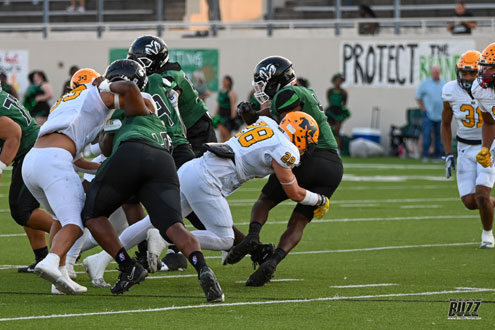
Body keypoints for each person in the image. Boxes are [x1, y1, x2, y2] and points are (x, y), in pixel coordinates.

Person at [81, 59, 224, 302]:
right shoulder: (153, 104)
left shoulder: (127, 98)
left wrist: (102, 89)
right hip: (163, 159)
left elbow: (107, 148)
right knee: (173, 226)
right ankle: (203, 269)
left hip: (134, 151)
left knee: (92, 215)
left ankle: (128, 266)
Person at [225, 56, 343, 287]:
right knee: (298, 221)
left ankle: (252, 237)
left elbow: (291, 124)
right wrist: (254, 117)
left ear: (276, 80)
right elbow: (273, 119)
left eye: (263, 82)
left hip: (308, 156)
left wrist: (254, 117)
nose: (260, 89)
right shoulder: (302, 93)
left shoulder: (286, 94)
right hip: (332, 166)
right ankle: (273, 261)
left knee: (264, 201)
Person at [21, 68, 108, 294]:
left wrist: (103, 168)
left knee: (59, 218)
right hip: (54, 161)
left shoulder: (63, 101)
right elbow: (109, 93)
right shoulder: (94, 92)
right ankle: (51, 262)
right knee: (76, 223)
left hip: (33, 161)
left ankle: (59, 278)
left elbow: (77, 159)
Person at [127, 35, 217, 157]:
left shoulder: (170, 75)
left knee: (199, 168)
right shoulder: (167, 71)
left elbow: (171, 95)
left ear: (154, 60)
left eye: (141, 61)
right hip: (190, 126)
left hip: (196, 128)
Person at [441, 50, 495, 249]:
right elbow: (445, 123)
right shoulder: (451, 91)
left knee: (482, 193)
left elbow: (490, 123)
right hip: (464, 148)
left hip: (488, 146)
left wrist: (487, 149)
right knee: (471, 201)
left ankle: (487, 236)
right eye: (464, 73)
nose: (468, 77)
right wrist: (448, 153)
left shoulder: (485, 89)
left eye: (472, 73)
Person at [0, 84, 54, 273]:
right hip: (34, 150)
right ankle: (42, 257)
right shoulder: (3, 96)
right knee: (26, 210)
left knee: (21, 210)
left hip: (33, 152)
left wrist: (0, 167)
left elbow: (14, 134)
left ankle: (69, 235)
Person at [416, 65, 445, 162]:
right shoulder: (425, 84)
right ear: (431, 73)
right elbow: (418, 97)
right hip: (428, 114)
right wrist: (423, 108)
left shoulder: (443, 83)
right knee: (426, 134)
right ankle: (425, 155)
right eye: (434, 72)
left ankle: (437, 156)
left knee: (438, 136)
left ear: (439, 73)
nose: (435, 73)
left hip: (440, 114)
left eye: (437, 72)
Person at [325, 73, 350, 149]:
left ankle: (338, 149)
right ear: (334, 81)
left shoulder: (343, 92)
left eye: (340, 81)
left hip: (339, 111)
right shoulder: (330, 91)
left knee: (337, 132)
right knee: (329, 130)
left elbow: (344, 103)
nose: (338, 82)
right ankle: (328, 147)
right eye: (337, 80)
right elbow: (329, 100)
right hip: (331, 111)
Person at [214, 75, 239, 142]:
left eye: (225, 81)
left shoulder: (231, 92)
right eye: (223, 81)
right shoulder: (221, 92)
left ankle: (228, 149)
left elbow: (232, 105)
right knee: (221, 134)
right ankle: (221, 149)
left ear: (229, 82)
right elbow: (219, 104)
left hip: (227, 115)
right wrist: (215, 115)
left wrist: (233, 117)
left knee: (227, 135)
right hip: (221, 114)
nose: (223, 82)